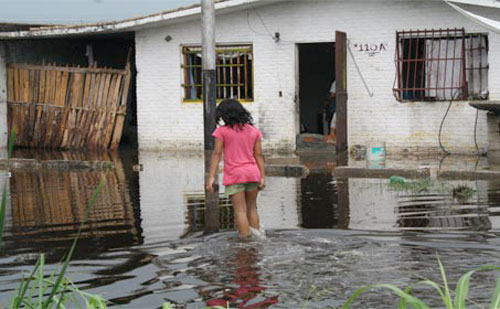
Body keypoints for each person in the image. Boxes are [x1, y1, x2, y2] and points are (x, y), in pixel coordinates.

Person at [206, 99, 266, 238]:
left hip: (235, 175)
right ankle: (258, 238)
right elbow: (258, 155)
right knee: (252, 207)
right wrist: (262, 176)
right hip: (252, 174)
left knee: (240, 211)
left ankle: (244, 242)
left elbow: (217, 154)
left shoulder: (222, 132)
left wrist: (211, 177)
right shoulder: (254, 131)